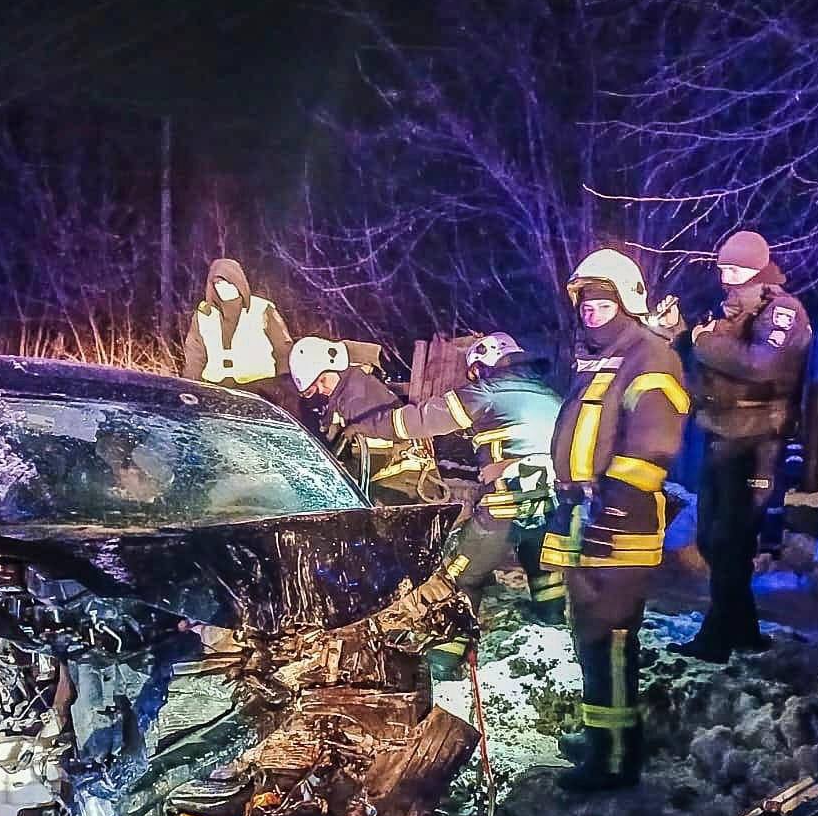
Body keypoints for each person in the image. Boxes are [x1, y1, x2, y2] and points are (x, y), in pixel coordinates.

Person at [544, 248, 689, 789]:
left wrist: (615, 506)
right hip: (586, 515)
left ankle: (615, 759)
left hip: (617, 525)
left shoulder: (650, 357)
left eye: (602, 303)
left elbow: (653, 445)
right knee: (590, 633)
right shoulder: (603, 358)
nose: (591, 312)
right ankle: (600, 738)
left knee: (611, 638)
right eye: (585, 303)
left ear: (627, 302)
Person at [343, 333, 565, 676]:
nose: (473, 377)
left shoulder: (486, 392)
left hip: (503, 508)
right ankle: (552, 631)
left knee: (460, 577)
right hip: (550, 508)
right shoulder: (552, 395)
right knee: (543, 569)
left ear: (485, 363)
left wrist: (367, 424)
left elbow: (415, 421)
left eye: (474, 371)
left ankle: (442, 661)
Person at [672, 231, 812, 664]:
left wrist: (703, 341)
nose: (726, 276)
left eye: (735, 269)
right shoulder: (733, 308)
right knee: (713, 540)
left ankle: (715, 640)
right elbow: (711, 358)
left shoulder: (783, 310)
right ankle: (745, 631)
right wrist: (681, 335)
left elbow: (762, 364)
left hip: (757, 441)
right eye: (723, 268)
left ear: (756, 267)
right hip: (722, 433)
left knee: (730, 541)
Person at [288, 336, 438, 504]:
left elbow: (375, 457)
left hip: (407, 488)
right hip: (391, 483)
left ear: (336, 365)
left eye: (323, 380)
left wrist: (333, 478)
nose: (322, 390)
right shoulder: (344, 392)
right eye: (314, 389)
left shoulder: (356, 398)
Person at [181, 258, 302, 416]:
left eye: (229, 283)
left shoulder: (262, 309)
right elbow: (195, 355)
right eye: (218, 284)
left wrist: (286, 385)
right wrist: (190, 386)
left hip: (260, 388)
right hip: (216, 388)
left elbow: (283, 348)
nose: (224, 289)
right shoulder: (204, 314)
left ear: (239, 282)